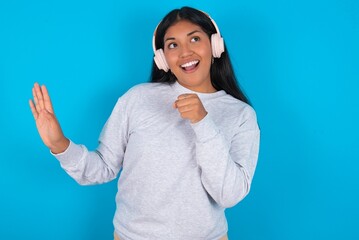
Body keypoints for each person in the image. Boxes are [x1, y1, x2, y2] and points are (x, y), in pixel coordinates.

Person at [29, 6, 260, 240]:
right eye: (172, 45)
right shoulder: (138, 99)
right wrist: (59, 143)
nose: (185, 52)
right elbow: (103, 168)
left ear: (215, 45)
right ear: (162, 58)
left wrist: (203, 123)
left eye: (195, 39)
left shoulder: (241, 115)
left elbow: (229, 195)